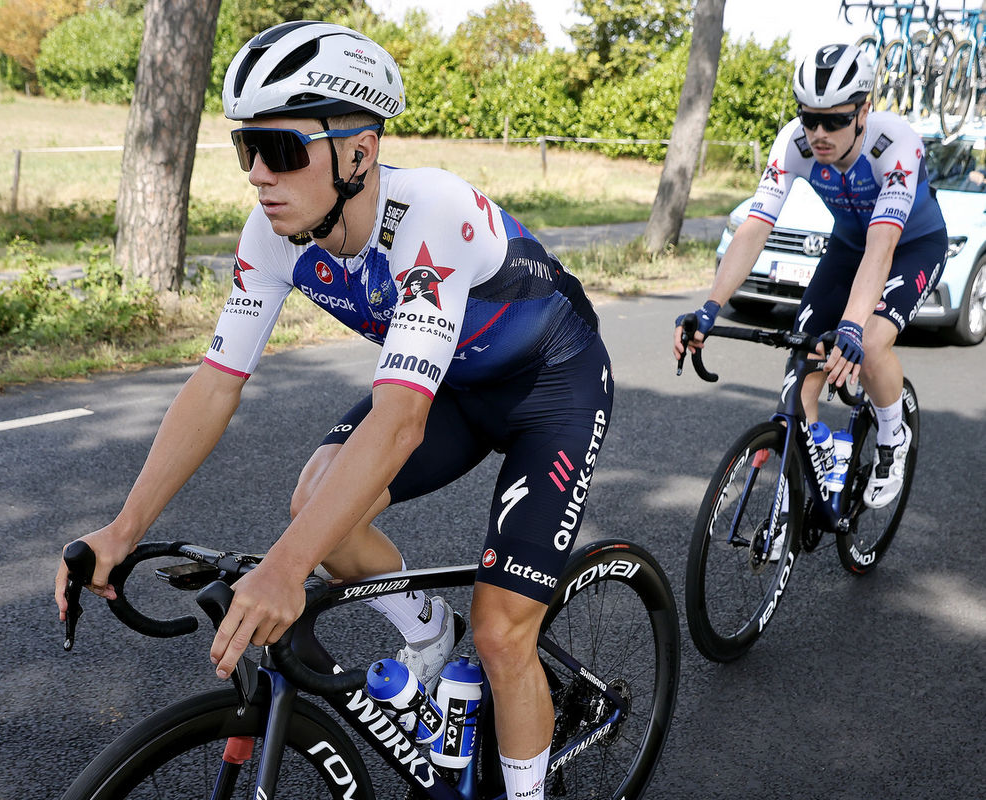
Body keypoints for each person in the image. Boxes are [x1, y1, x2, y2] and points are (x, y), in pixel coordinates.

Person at [55, 21, 612, 800]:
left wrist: (286, 570)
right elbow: (216, 383)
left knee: (501, 630)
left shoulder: (431, 216)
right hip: (453, 380)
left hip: (551, 384)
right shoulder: (274, 233)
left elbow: (398, 423)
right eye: (245, 146)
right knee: (317, 501)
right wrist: (122, 530)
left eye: (280, 149)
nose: (257, 174)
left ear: (359, 150)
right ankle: (427, 633)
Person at [673, 42, 946, 508]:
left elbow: (881, 251)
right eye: (809, 117)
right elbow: (754, 228)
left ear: (864, 110)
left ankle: (892, 436)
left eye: (835, 120)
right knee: (803, 365)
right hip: (847, 247)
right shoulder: (793, 143)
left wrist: (854, 328)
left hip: (910, 247)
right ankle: (804, 478)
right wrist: (709, 307)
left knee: (872, 342)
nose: (819, 132)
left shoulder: (895, 145)